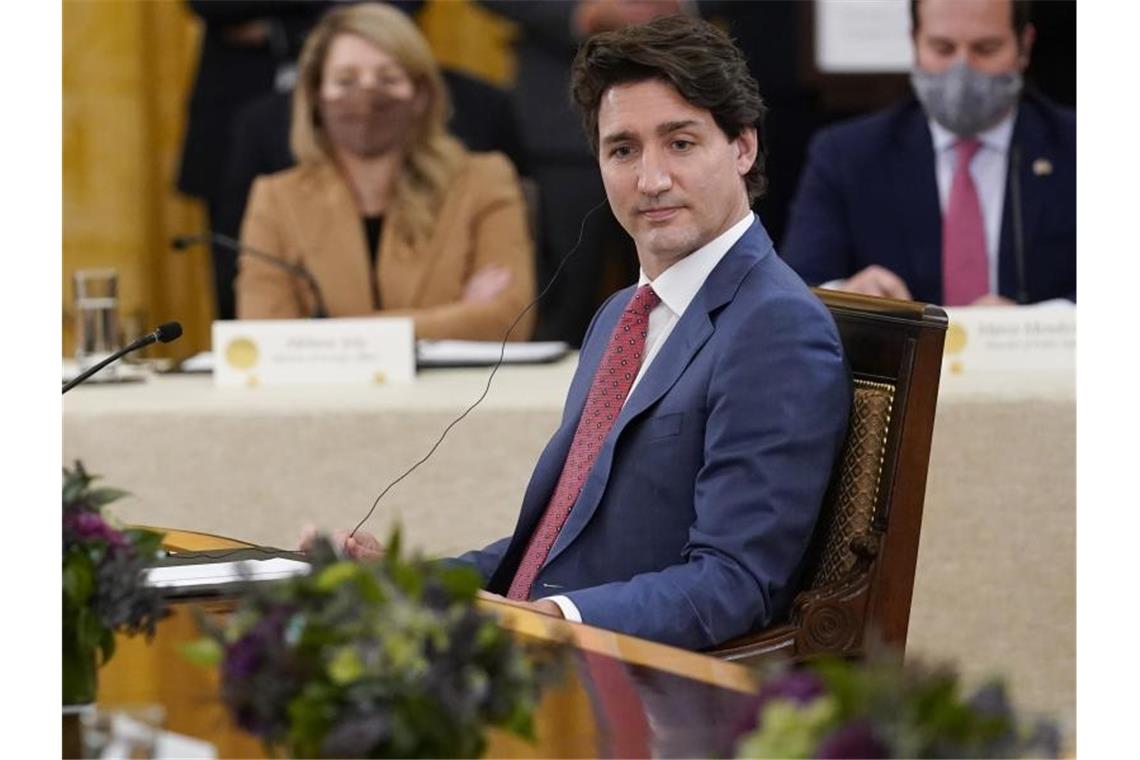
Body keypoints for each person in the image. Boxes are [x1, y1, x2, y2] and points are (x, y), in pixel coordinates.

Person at [314, 15, 850, 652]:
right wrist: (406, 584)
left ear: (743, 147)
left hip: (629, 690)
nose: (650, 180)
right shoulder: (622, 312)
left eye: (680, 143)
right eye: (622, 150)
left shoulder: (775, 326)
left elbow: (733, 584)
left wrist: (555, 622)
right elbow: (553, 547)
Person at [236, 3, 536, 342]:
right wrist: (453, 317)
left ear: (421, 94)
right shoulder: (276, 198)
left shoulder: (485, 179)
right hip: (321, 397)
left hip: (456, 394)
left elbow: (507, 322)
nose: (366, 94)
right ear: (316, 96)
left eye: (388, 78)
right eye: (346, 80)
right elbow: (264, 337)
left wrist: (320, 335)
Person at [780, 0, 1075, 306]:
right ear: (914, 44)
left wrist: (1040, 324)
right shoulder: (847, 155)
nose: (962, 69)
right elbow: (796, 290)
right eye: (943, 49)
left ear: (1024, 46)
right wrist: (849, 297)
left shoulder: (1076, 146)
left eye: (985, 49)